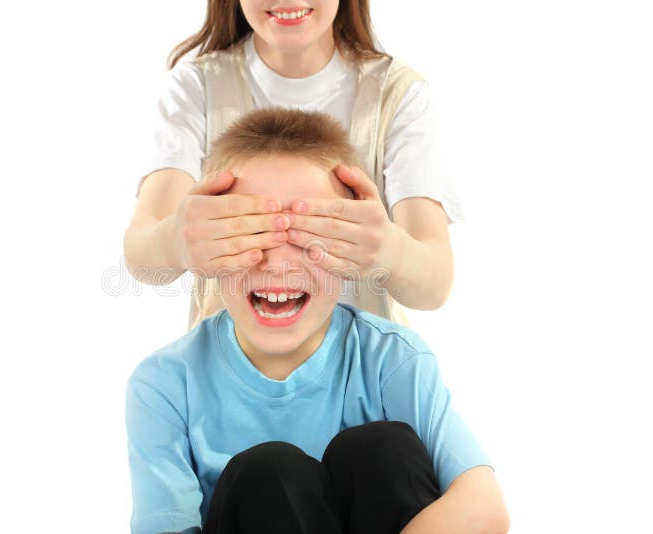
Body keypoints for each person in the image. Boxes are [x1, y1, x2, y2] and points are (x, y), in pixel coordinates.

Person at [125, 109, 509, 534]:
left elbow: (483, 508)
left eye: (313, 235)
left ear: (356, 251)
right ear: (204, 247)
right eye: (249, 233)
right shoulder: (165, 383)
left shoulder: (392, 359)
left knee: (383, 449)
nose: (280, 266)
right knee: (269, 472)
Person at [124, 0, 460, 330]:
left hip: (361, 379)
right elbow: (142, 256)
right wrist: (174, 241)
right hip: (227, 376)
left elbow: (435, 286)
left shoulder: (397, 94)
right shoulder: (196, 88)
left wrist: (390, 250)